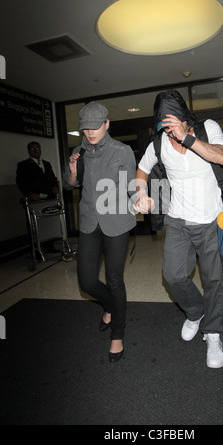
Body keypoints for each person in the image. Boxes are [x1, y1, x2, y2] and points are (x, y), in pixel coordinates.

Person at [135, 90, 223, 369]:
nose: (169, 128)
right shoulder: (158, 143)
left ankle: (214, 334)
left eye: (172, 121)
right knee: (173, 277)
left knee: (213, 280)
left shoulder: (207, 128)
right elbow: (141, 170)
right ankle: (195, 311)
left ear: (185, 117)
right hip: (177, 221)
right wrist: (139, 194)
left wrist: (187, 138)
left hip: (212, 219)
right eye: (163, 123)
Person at [62, 102, 136, 362]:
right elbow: (70, 184)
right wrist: (72, 174)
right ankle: (109, 305)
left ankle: (118, 333)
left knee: (115, 279)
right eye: (85, 128)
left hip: (116, 223)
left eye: (96, 126)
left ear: (107, 124)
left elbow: (132, 186)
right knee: (87, 281)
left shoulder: (122, 151)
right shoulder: (78, 152)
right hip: (89, 222)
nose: (90, 132)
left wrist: (142, 199)